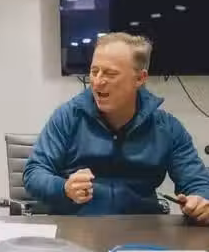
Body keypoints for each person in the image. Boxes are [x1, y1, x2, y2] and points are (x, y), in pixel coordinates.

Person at [24, 33, 209, 224]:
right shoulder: (68, 117)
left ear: (140, 78)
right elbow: (34, 173)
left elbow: (197, 182)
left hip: (142, 231)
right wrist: (64, 188)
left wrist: (200, 200)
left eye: (110, 74)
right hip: (77, 228)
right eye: (94, 71)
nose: (97, 81)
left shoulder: (167, 128)